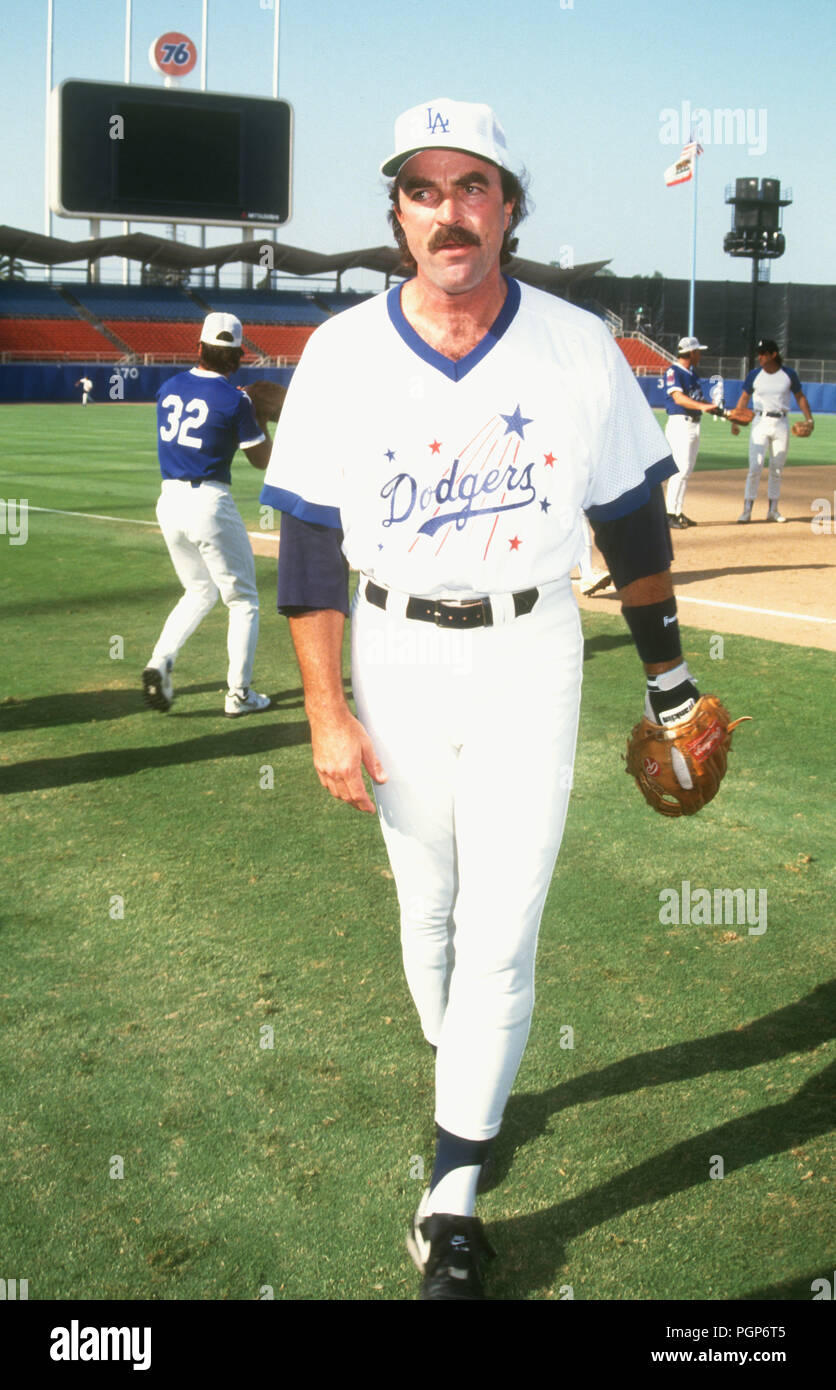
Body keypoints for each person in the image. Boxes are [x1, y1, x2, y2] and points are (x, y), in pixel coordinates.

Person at [260, 97, 706, 1300]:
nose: (448, 211)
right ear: (398, 213)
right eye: (423, 189)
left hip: (532, 649)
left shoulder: (574, 343)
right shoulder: (346, 351)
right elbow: (305, 546)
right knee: (430, 907)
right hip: (394, 652)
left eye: (473, 187)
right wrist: (320, 710)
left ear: (508, 207)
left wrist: (667, 680)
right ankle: (462, 1067)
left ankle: (450, 1187)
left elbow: (631, 525)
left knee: (503, 930)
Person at [142, 312, 273, 717]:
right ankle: (239, 694)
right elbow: (260, 459)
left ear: (198, 348)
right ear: (238, 357)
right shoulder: (236, 400)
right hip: (209, 501)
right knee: (243, 600)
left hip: (169, 501)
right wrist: (261, 417)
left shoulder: (168, 387)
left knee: (199, 590)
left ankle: (158, 662)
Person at [732, 339, 814, 523]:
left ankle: (773, 510)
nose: (759, 357)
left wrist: (809, 419)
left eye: (763, 353)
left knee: (777, 468)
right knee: (755, 467)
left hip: (781, 424)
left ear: (773, 354)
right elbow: (744, 398)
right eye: (759, 353)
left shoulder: (789, 374)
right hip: (760, 422)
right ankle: (746, 510)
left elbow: (800, 397)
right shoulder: (754, 374)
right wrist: (735, 421)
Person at [662, 336, 719, 528]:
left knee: (687, 470)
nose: (700, 355)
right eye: (698, 352)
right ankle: (669, 513)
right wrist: (703, 407)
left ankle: (678, 511)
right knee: (680, 469)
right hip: (680, 424)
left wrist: (716, 409)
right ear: (691, 353)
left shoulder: (692, 374)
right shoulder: (673, 371)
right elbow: (678, 398)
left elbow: (697, 400)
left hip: (694, 424)